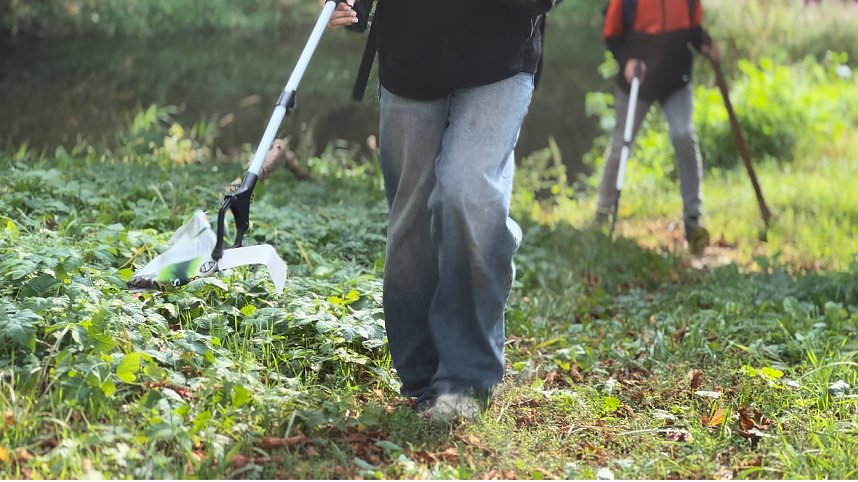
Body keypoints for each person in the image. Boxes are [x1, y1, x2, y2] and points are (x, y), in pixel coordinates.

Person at [325, 0, 560, 424]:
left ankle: (466, 378)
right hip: (410, 61)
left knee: (468, 194)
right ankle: (421, 379)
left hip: (500, 60)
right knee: (411, 218)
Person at [597, 0, 719, 254]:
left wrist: (705, 44)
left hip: (675, 79)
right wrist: (626, 60)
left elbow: (692, 30)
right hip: (637, 81)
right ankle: (603, 212)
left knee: (684, 135)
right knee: (621, 145)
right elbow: (611, 33)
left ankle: (693, 219)